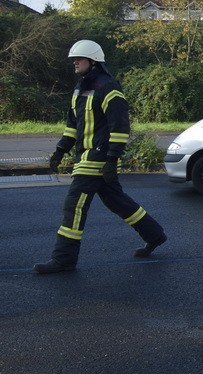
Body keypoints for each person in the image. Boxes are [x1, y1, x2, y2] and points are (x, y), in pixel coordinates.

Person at [33, 40, 166, 274]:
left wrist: (112, 160)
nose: (74, 62)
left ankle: (64, 259)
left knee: (73, 206)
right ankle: (155, 235)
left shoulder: (109, 88)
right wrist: (60, 151)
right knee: (117, 201)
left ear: (93, 62)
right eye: (74, 59)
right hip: (85, 156)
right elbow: (73, 126)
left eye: (79, 59)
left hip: (98, 158)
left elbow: (120, 128)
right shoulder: (79, 89)